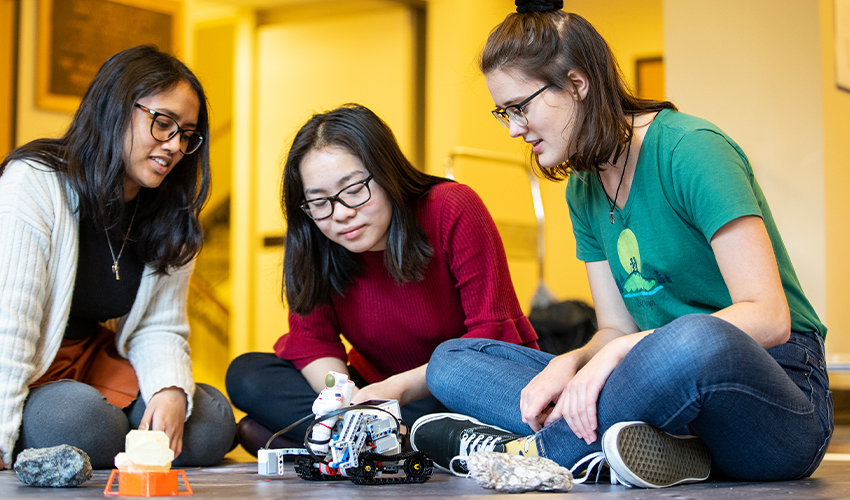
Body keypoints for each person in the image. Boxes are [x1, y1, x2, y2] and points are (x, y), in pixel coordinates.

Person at [410, 0, 832, 489]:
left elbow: (769, 317)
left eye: (520, 107)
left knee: (693, 339)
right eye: (503, 112)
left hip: (776, 397)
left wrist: (620, 353)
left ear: (576, 84)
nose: (513, 129)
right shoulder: (583, 189)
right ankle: (635, 446)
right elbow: (613, 329)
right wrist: (571, 364)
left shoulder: (691, 149)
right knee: (453, 361)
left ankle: (528, 451)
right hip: (654, 389)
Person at [225, 103, 538, 454]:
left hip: (461, 389)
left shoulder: (452, 208)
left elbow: (489, 337)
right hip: (377, 396)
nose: (341, 214)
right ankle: (378, 438)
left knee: (257, 431)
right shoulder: (315, 239)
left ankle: (365, 440)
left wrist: (395, 390)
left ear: (385, 173)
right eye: (320, 202)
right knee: (247, 374)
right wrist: (346, 400)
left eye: (355, 189)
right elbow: (313, 343)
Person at [0, 45, 236, 470]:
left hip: (94, 360)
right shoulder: (34, 182)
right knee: (83, 424)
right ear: (114, 109)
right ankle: (77, 438)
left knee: (210, 422)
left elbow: (158, 326)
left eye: (186, 134)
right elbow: (9, 324)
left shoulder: (171, 212)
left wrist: (169, 390)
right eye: (162, 124)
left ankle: (110, 444)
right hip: (34, 367)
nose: (174, 146)